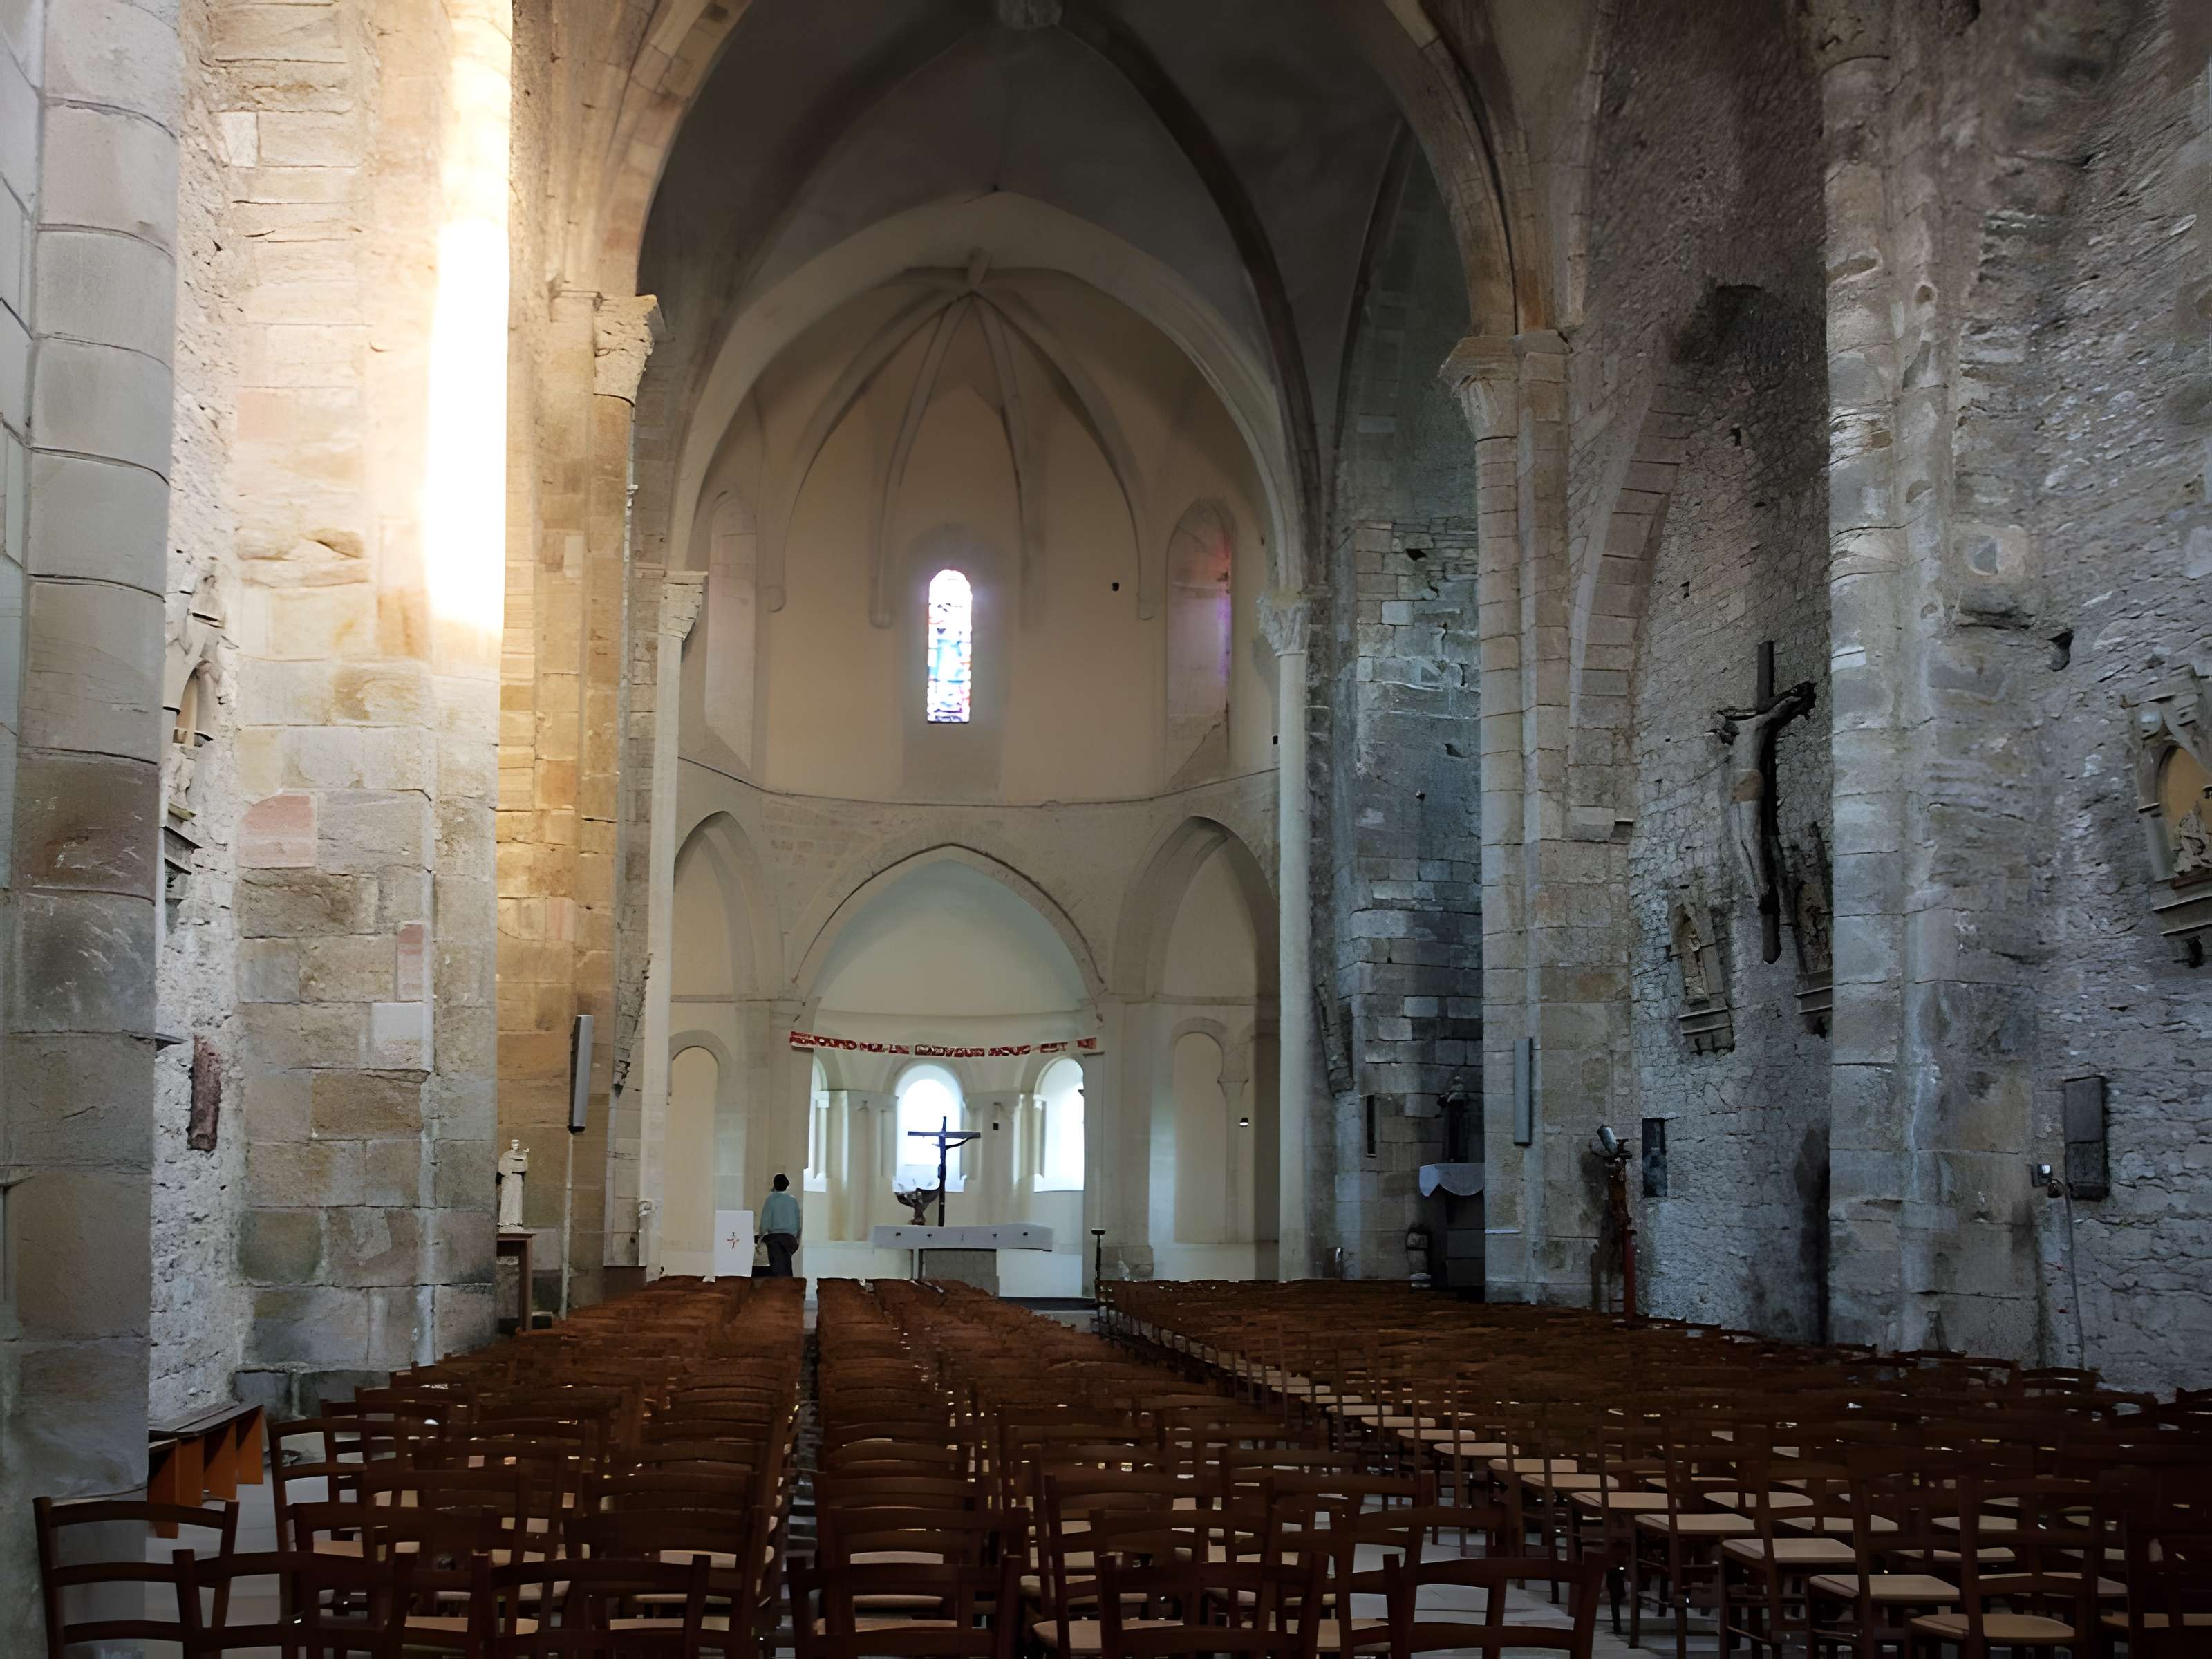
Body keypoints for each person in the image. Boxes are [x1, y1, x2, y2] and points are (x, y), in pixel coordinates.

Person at [760, 1173, 801, 1278]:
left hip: (775, 1239)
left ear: (774, 1185)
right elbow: (798, 1222)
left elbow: (765, 1220)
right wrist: (796, 1239)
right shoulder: (793, 1200)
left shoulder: (771, 1199)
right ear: (787, 1185)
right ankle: (787, 1289)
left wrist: (761, 1236)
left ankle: (778, 1290)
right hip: (790, 1239)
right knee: (787, 1266)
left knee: (777, 1269)